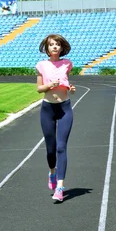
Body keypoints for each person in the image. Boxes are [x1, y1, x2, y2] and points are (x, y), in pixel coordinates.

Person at [36, 34, 76, 203]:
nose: (54, 47)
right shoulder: (41, 65)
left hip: (65, 108)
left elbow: (68, 82)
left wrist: (71, 89)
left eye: (57, 44)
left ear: (62, 47)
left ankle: (60, 187)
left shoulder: (67, 64)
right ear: (47, 48)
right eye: (51, 44)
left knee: (61, 147)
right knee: (51, 149)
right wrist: (49, 85)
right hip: (47, 109)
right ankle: (52, 172)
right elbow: (39, 89)